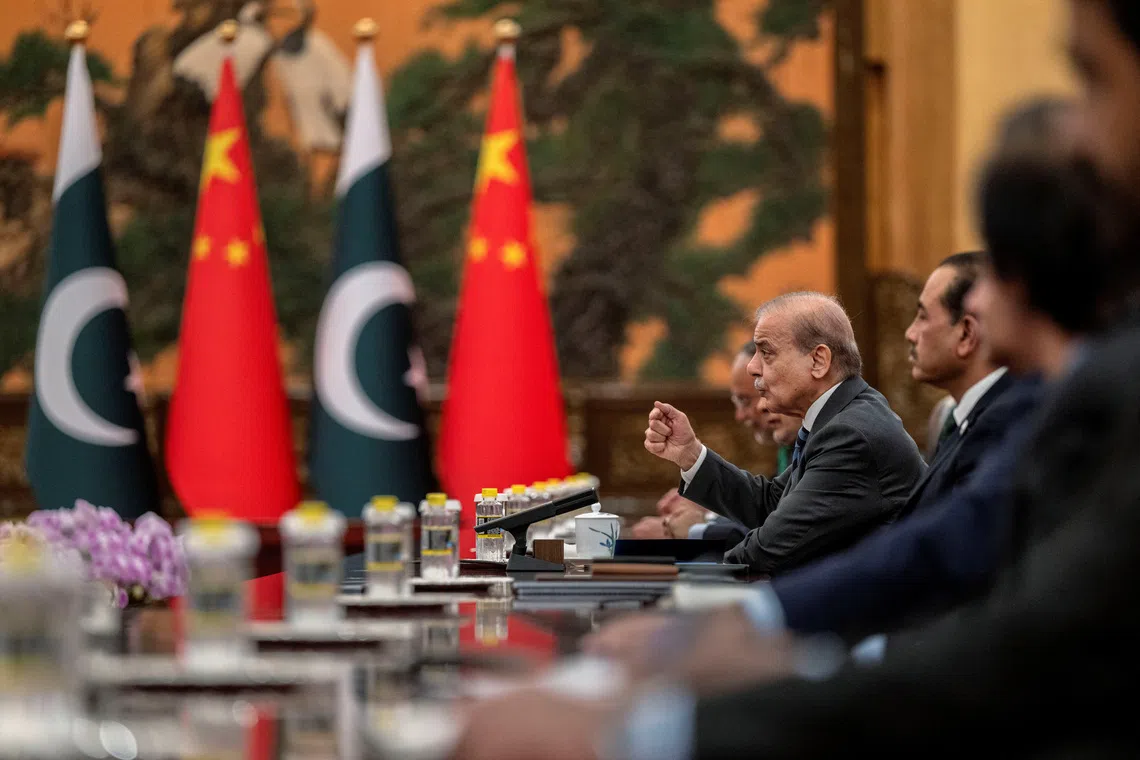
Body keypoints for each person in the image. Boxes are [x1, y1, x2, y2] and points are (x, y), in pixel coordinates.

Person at [451, 105, 1140, 759]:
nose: (978, 301)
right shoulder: (1026, 408)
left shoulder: (878, 425)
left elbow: (1005, 631)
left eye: (995, 271)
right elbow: (896, 537)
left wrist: (656, 724)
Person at [644, 292, 925, 574]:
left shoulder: (850, 434)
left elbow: (768, 549)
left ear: (818, 361)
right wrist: (691, 454)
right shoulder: (841, 416)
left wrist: (676, 576)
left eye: (766, 352)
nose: (753, 367)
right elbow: (772, 504)